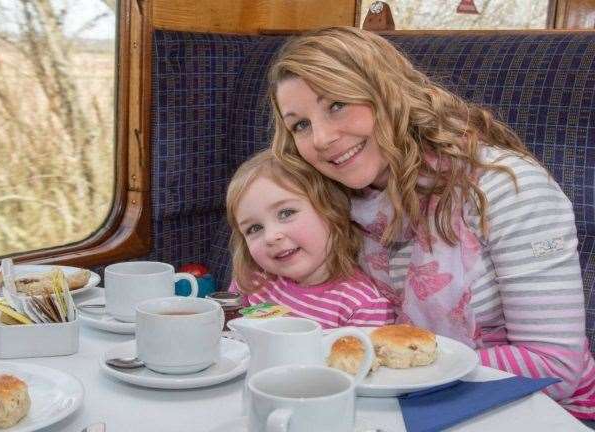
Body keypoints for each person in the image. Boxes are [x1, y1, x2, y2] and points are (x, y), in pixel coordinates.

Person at [266, 26, 595, 418]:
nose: (319, 138)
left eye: (336, 103)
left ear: (390, 95)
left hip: (542, 410)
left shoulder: (509, 189)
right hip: (394, 404)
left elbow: (557, 366)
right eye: (300, 124)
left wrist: (398, 370)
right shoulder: (335, 204)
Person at [226, 149, 395, 329]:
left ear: (332, 210)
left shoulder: (364, 307)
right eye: (254, 228)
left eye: (286, 213)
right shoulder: (252, 280)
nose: (270, 237)